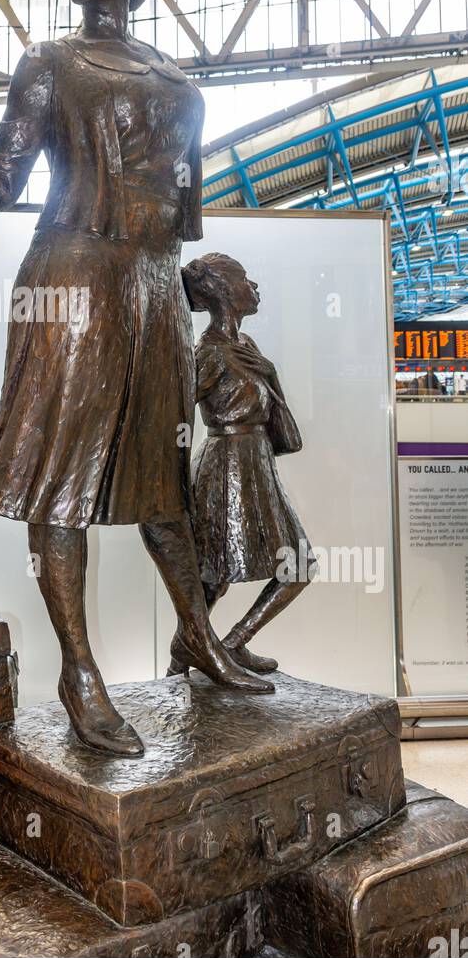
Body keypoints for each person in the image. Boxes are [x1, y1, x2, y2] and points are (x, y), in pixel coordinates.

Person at [0, 0, 273, 757]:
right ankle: (80, 672)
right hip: (69, 286)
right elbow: (2, 179)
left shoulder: (183, 88)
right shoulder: (48, 63)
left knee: (162, 479)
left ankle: (198, 635)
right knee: (61, 478)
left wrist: (200, 304)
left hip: (152, 290)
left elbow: (181, 213)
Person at [179, 253, 316, 674]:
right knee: (215, 574)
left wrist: (272, 378)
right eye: (245, 280)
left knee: (296, 565)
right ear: (222, 291)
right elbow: (174, 413)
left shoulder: (247, 348)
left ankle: (228, 643)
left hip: (256, 465)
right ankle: (191, 651)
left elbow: (286, 437)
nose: (254, 286)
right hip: (226, 468)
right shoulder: (211, 354)